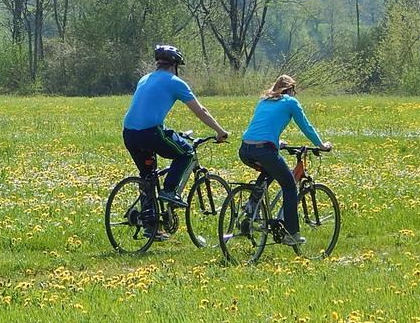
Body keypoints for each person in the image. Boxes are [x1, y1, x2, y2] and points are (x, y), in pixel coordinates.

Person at [122, 44, 229, 240]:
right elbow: (200, 111)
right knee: (186, 153)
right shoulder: (175, 82)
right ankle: (170, 191)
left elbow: (147, 107)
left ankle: (150, 226)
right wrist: (220, 131)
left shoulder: (144, 78)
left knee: (148, 177)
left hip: (129, 134)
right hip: (149, 133)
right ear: (175, 65)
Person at [239, 74, 333, 246]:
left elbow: (261, 127)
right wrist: (321, 145)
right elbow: (306, 126)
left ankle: (251, 207)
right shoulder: (290, 102)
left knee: (269, 169)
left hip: (245, 149)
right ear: (290, 89)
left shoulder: (264, 101)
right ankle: (291, 234)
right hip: (264, 150)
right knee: (289, 186)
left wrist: (277, 142)